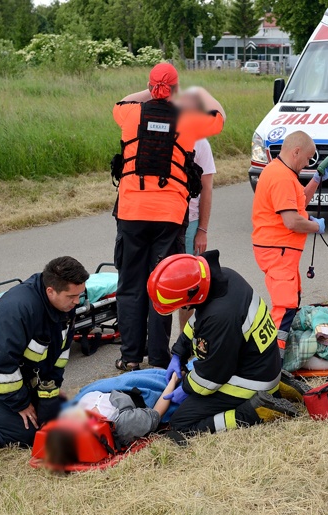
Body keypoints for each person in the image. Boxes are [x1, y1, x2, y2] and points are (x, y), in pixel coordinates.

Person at [112, 63, 226, 371]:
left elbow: (123, 100)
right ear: (176, 90)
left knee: (130, 285)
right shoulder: (189, 121)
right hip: (170, 217)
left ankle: (131, 357)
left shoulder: (130, 114)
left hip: (131, 213)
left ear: (149, 88)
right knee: (161, 284)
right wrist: (195, 93)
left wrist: (151, 91)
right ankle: (160, 358)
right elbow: (219, 117)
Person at [148, 251, 298, 435]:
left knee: (181, 423)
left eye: (181, 305)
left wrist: (186, 389)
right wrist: (179, 352)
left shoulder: (221, 316)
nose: (183, 308)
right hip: (262, 365)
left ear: (193, 293)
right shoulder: (224, 279)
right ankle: (275, 388)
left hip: (252, 379)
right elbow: (197, 321)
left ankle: (255, 411)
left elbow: (211, 377)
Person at [0, 256, 89, 446]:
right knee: (26, 436)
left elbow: (60, 352)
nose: (77, 302)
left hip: (15, 373)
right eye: (71, 296)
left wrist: (49, 391)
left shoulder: (64, 305)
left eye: (80, 295)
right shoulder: (18, 309)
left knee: (51, 423)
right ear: (50, 291)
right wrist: (21, 404)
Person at [251, 131, 328, 355]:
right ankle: (272, 362)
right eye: (307, 159)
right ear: (296, 151)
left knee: (291, 301)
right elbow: (292, 220)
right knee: (285, 306)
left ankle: (275, 357)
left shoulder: (282, 173)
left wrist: (316, 179)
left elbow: (298, 205)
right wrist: (316, 226)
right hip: (278, 250)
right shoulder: (281, 177)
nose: (307, 164)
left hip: (282, 251)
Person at [46, 374, 179, 461]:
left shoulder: (71, 415)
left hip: (111, 385)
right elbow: (157, 412)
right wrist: (173, 381)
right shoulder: (124, 425)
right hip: (136, 391)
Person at [175, 90, 217, 332]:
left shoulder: (199, 142)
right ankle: (174, 345)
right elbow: (207, 189)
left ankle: (182, 342)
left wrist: (201, 229)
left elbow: (206, 189)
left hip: (186, 223)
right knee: (181, 284)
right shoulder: (173, 135)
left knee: (186, 286)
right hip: (173, 221)